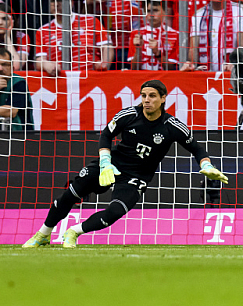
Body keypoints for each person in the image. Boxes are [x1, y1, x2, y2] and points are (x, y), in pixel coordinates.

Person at [23, 80, 228, 248]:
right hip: (112, 166)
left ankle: (73, 232)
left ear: (163, 98)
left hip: (136, 177)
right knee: (70, 194)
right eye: (144, 95)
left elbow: (197, 149)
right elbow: (106, 134)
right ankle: (43, 234)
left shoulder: (172, 126)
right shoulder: (129, 115)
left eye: (152, 96)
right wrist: (105, 162)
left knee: (115, 212)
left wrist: (207, 166)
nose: (147, 100)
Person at [35, 0, 111, 75]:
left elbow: (107, 47)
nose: (56, 4)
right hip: (60, 81)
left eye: (60, 0)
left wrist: (104, 63)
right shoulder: (43, 31)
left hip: (90, 78)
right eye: (52, 1)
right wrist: (45, 64)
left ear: (71, 2)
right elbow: (39, 59)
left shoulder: (91, 21)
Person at [186, 0, 243, 72]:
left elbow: (241, 45)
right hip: (206, 74)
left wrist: (235, 64)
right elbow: (193, 48)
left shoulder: (239, 11)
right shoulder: (198, 15)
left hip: (233, 73)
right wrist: (192, 64)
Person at [129, 0, 180, 70]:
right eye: (149, 11)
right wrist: (138, 49)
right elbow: (134, 68)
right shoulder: (136, 34)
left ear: (165, 12)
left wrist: (157, 53)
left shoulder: (174, 34)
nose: (151, 15)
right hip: (142, 78)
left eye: (155, 10)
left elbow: (171, 69)